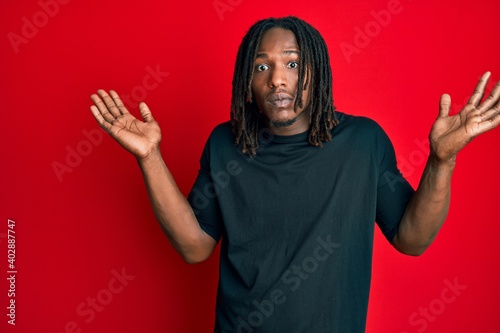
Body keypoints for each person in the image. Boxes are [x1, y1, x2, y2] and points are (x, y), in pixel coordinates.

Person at [89, 16, 500, 333]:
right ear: (247, 82)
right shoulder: (225, 144)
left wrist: (442, 161)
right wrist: (150, 157)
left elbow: (411, 239)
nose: (278, 78)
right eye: (262, 67)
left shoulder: (362, 142)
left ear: (316, 72)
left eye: (292, 63)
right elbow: (195, 247)